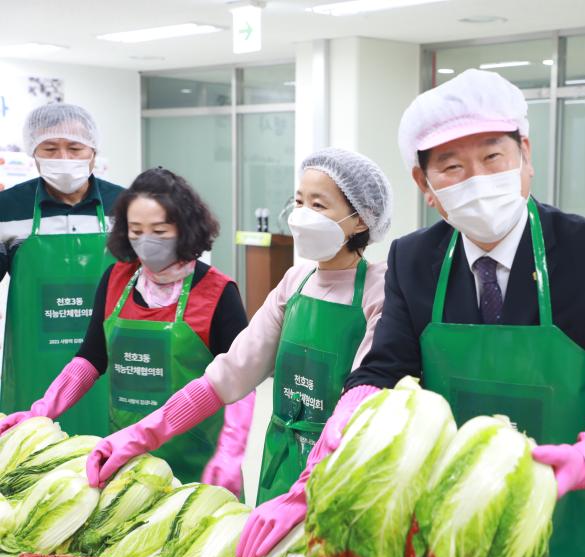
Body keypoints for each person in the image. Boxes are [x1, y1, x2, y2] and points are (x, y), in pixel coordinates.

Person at [233, 69, 585, 557]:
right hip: (462, 529)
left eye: (493, 157)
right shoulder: (414, 260)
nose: (477, 179)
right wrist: (323, 464)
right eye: (451, 167)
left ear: (525, 155)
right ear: (424, 185)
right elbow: (383, 371)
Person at [83, 149, 392, 514]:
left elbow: (364, 404)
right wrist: (138, 436)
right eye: (299, 201)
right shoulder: (295, 283)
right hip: (282, 464)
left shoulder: (380, 289)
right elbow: (229, 374)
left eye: (319, 205)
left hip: (343, 469)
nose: (302, 214)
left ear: (361, 220)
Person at [0, 168, 252, 493]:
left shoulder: (218, 292)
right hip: (124, 461)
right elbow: (90, 358)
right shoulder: (116, 280)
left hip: (197, 464)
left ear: (185, 228)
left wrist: (230, 452)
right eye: (136, 230)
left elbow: (242, 381)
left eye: (159, 230)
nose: (146, 240)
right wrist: (41, 411)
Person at [0, 103, 123, 436]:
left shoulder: (125, 205)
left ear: (93, 151)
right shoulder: (7, 208)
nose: (64, 158)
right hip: (34, 360)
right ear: (33, 152)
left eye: (75, 148)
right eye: (50, 149)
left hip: (110, 356)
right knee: (36, 444)